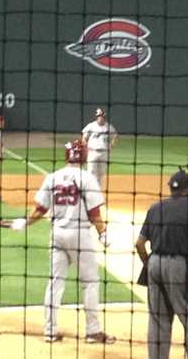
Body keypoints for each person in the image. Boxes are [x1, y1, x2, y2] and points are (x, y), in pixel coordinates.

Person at [12, 140, 115, 344]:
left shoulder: (53, 177)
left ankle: (50, 331)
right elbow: (94, 212)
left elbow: (40, 210)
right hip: (79, 235)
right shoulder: (87, 178)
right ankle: (93, 332)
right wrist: (103, 233)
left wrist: (25, 223)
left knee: (55, 283)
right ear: (83, 155)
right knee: (90, 283)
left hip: (57, 233)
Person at [135, 168, 188, 359]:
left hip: (154, 264)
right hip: (179, 268)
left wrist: (150, 266)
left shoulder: (155, 208)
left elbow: (139, 244)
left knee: (158, 321)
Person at [81, 107, 119, 191]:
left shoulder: (108, 126)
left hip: (104, 153)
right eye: (99, 116)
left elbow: (115, 136)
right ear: (97, 116)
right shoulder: (91, 126)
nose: (101, 118)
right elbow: (84, 138)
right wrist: (85, 148)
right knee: (90, 172)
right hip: (92, 152)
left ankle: (97, 191)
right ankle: (88, 190)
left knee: (101, 173)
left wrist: (112, 145)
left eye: (102, 116)